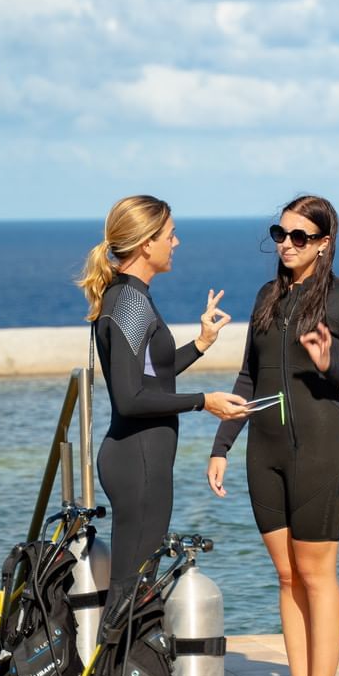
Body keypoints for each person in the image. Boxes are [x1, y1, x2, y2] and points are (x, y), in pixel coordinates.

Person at [207, 195, 339, 676]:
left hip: (321, 447)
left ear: (324, 243)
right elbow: (248, 376)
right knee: (286, 576)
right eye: (280, 233)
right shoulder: (267, 297)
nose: (286, 244)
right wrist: (221, 445)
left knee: (316, 574)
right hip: (266, 450)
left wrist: (331, 367)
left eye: (300, 236)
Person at [76, 195, 247, 604]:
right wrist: (204, 401)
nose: (177, 242)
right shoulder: (130, 303)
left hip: (139, 459)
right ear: (146, 243)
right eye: (170, 235)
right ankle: (117, 650)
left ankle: (125, 648)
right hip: (138, 462)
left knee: (137, 588)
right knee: (131, 592)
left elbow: (154, 379)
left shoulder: (130, 296)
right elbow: (130, 399)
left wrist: (201, 343)